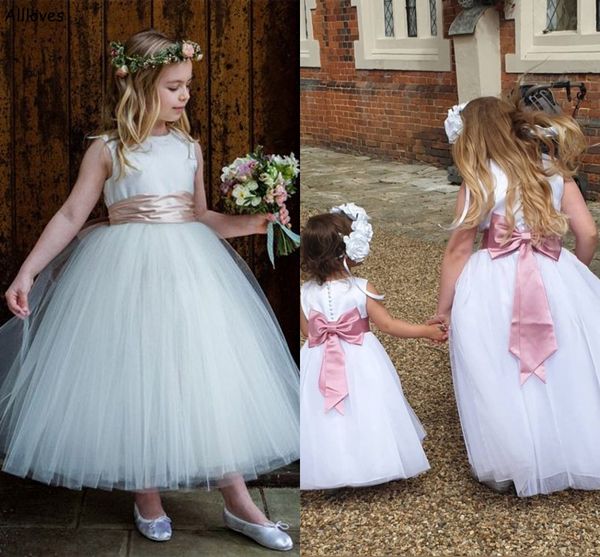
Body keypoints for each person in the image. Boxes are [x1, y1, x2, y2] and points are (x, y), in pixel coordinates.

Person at [0, 29, 298, 550]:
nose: (185, 97)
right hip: (124, 280)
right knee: (135, 374)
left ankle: (237, 497)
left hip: (190, 277)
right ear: (139, 87)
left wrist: (251, 224)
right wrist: (27, 272)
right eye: (174, 87)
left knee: (202, 374)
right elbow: (73, 215)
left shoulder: (189, 147)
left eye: (188, 87)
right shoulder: (107, 149)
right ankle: (146, 493)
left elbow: (201, 216)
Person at [434, 95, 600, 497]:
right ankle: (573, 453)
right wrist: (572, 268)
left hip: (494, 279)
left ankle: (515, 461)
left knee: (500, 366)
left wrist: (444, 308)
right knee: (566, 363)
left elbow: (458, 250)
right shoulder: (555, 172)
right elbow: (589, 234)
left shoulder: (480, 181)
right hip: (553, 272)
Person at [299, 203, 446, 490]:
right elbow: (389, 325)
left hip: (318, 360)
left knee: (326, 414)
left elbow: (308, 333)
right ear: (347, 251)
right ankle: (374, 462)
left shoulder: (305, 293)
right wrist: (425, 331)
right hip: (360, 357)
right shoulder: (363, 288)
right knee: (368, 406)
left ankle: (333, 468)